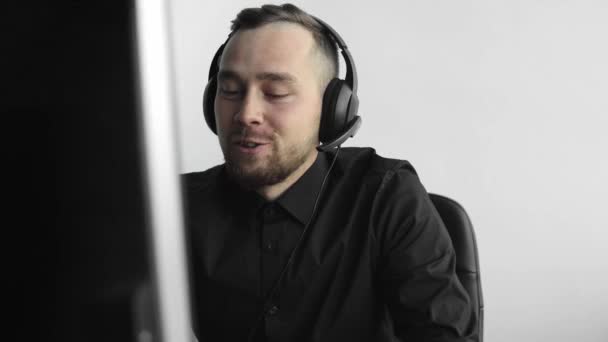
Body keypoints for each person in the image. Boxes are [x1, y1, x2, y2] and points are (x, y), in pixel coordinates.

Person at [183, 3, 477, 341]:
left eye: (276, 93)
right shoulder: (171, 209)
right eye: (230, 91)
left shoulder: (387, 197)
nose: (246, 113)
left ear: (332, 111)